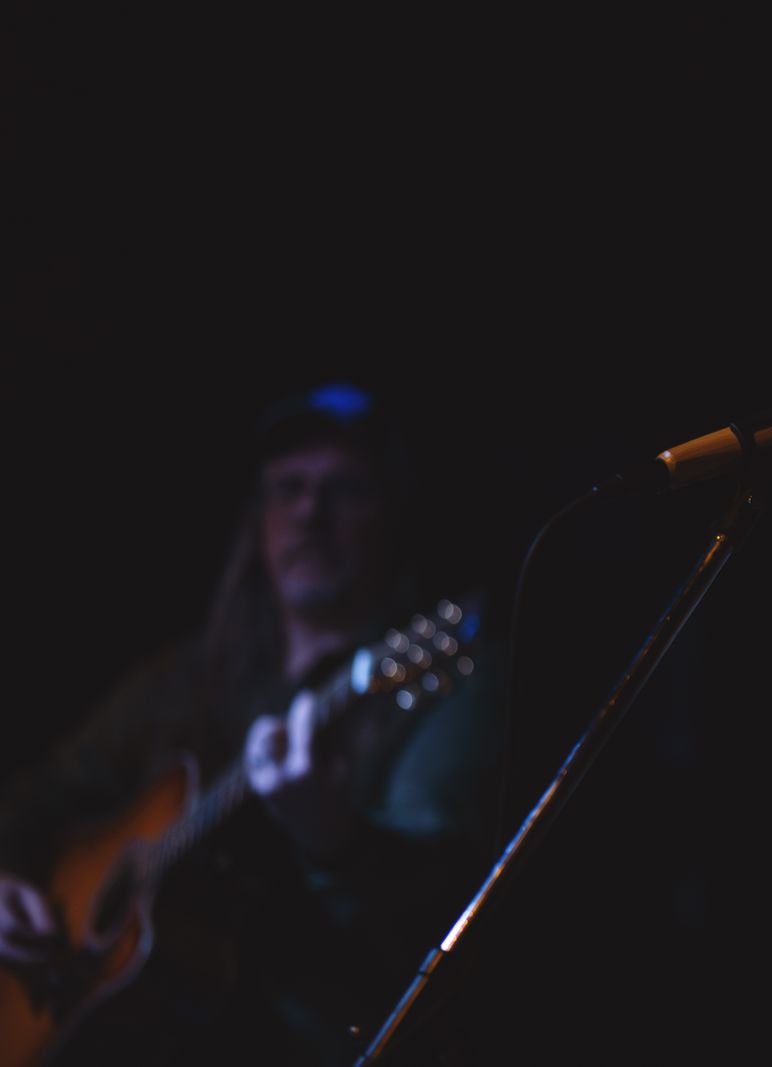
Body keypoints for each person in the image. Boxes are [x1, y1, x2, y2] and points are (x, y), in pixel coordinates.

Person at [0, 383, 505, 1066]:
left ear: (394, 515)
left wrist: (338, 842)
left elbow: (450, 919)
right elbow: (41, 793)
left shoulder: (438, 682)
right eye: (288, 488)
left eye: (345, 490)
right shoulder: (181, 680)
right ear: (257, 515)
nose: (310, 513)